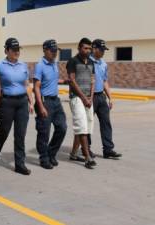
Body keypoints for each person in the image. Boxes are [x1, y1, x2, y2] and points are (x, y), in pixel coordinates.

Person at [0, 38, 34, 176]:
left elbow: (26, 84)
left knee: (20, 134)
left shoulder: (23, 65)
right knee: (4, 131)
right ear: (6, 50)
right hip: (6, 102)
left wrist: (31, 102)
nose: (16, 52)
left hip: (22, 103)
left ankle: (20, 164)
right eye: (13, 49)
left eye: (18, 49)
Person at [33, 39, 68, 170]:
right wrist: (40, 106)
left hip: (56, 101)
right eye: (52, 51)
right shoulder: (40, 66)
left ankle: (51, 153)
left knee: (62, 127)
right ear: (45, 50)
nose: (54, 53)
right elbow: (36, 87)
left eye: (56, 51)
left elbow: (52, 80)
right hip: (45, 101)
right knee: (44, 132)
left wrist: (64, 80)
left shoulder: (54, 64)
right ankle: (44, 158)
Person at [89, 39, 122, 159]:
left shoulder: (103, 64)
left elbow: (104, 81)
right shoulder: (87, 62)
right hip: (90, 97)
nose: (103, 52)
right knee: (88, 124)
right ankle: (86, 149)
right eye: (101, 50)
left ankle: (108, 150)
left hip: (101, 97)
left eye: (104, 50)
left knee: (106, 123)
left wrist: (110, 98)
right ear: (95, 49)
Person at [67, 38, 97, 169]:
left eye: (89, 48)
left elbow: (92, 80)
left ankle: (74, 153)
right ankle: (87, 158)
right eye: (85, 48)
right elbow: (72, 81)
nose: (88, 50)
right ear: (79, 48)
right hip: (77, 98)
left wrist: (90, 96)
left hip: (88, 99)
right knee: (82, 126)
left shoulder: (91, 62)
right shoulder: (72, 61)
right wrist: (84, 98)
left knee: (86, 126)